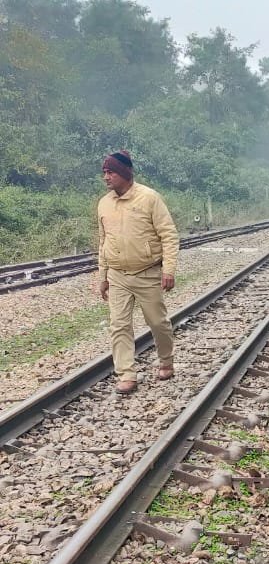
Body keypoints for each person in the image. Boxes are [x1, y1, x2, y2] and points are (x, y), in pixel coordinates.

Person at [98, 151, 180, 395]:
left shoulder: (149, 198)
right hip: (117, 275)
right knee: (119, 325)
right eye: (104, 173)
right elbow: (103, 241)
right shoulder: (104, 203)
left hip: (147, 273)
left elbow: (169, 234)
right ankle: (127, 374)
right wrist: (102, 276)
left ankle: (166, 361)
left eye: (111, 172)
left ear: (124, 173)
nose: (106, 177)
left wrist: (169, 269)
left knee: (157, 322)